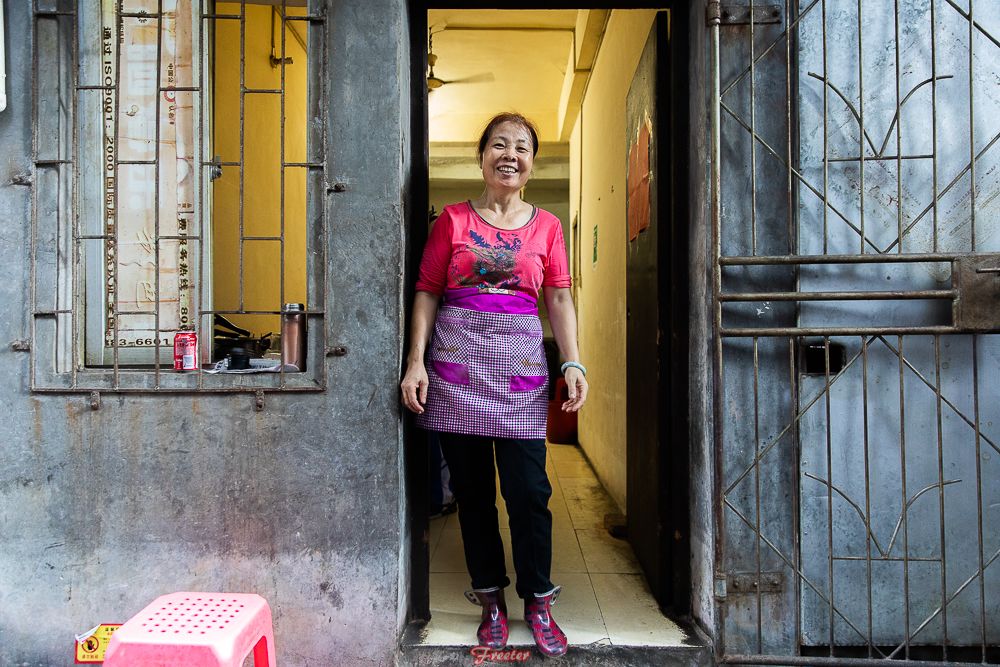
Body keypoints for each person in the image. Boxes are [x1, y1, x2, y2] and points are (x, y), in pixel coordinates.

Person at [401, 112, 588, 658]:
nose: (510, 154)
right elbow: (428, 290)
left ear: (532, 162)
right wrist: (417, 363)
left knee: (530, 493)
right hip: (457, 368)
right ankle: (489, 599)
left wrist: (572, 363)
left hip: (519, 370)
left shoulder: (548, 226)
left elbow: (557, 297)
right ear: (481, 156)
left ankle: (537, 599)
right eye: (499, 145)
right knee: (475, 495)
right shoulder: (454, 221)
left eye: (522, 147)